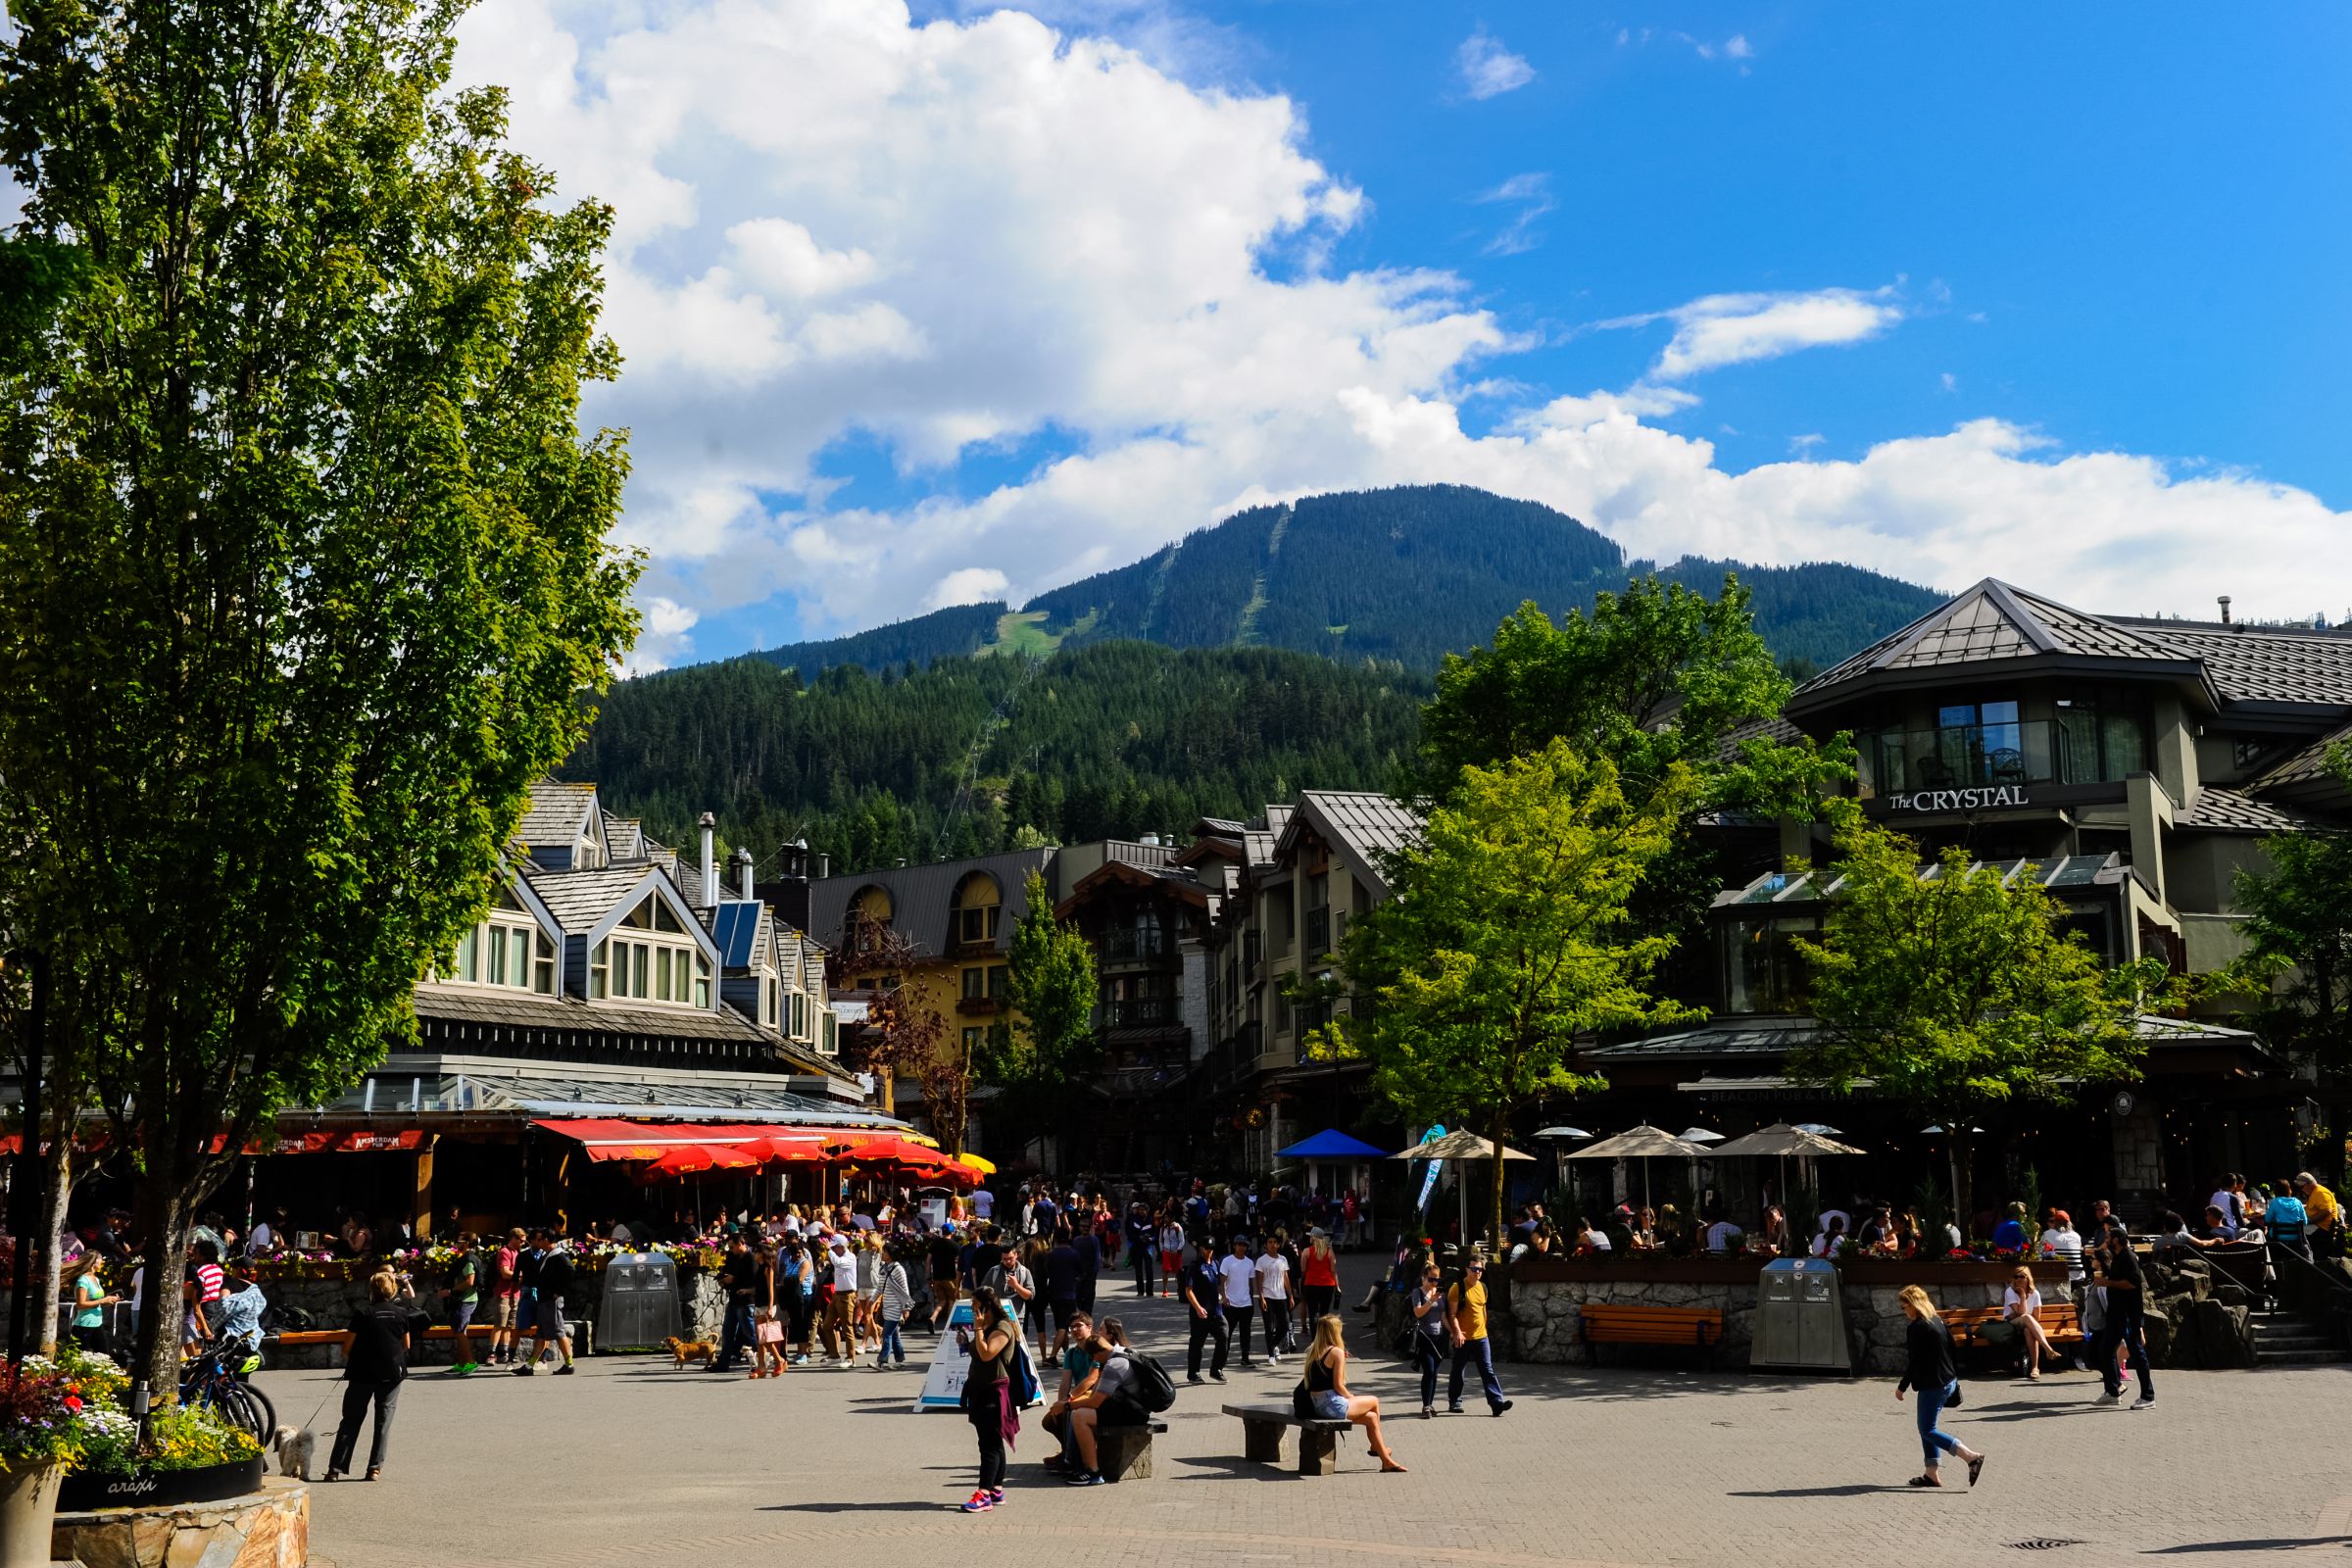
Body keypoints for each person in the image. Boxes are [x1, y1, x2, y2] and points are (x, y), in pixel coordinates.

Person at [326, 1270, 429, 1483]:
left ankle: (335, 1468)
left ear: (372, 1290)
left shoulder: (362, 1313)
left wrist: (355, 1358)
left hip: (362, 1372)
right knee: (383, 1421)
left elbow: (347, 1347)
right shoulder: (401, 1314)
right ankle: (374, 1468)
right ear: (392, 1290)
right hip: (392, 1372)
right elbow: (407, 1345)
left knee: (351, 1420)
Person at [1892, 1284, 1984, 1489]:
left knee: (1927, 1430)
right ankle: (1931, 1474)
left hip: (1932, 1384)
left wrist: (1902, 1386)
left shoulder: (1916, 1327)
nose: (1903, 1311)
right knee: (1927, 1427)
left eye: (1904, 1306)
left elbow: (1914, 1362)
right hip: (1948, 1380)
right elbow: (1952, 1348)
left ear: (1913, 1304)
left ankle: (1970, 1457)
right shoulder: (1937, 1320)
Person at [1298, 1312, 1406, 1472]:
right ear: (1334, 1331)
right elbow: (1338, 1385)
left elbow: (1321, 1377)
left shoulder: (1313, 1350)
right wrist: (1350, 1397)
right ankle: (1376, 1447)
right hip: (1331, 1404)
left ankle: (1386, 1460)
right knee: (1374, 1400)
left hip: (1317, 1405)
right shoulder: (1336, 1352)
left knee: (1371, 1418)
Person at [957, 1287, 1019, 1513]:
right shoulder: (986, 1327)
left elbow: (987, 1354)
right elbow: (978, 1354)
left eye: (974, 1304)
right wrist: (966, 1342)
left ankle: (983, 1494)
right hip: (980, 1390)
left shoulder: (1002, 1328)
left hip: (994, 1392)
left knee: (989, 1445)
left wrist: (979, 1328)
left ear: (987, 1306)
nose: (972, 1308)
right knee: (993, 1441)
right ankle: (996, 1489)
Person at [2084, 1219, 2154, 1410]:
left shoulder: (2128, 1257)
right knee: (2105, 1351)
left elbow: (2132, 1283)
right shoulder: (2116, 1257)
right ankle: (2112, 1391)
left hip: (2129, 1313)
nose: (2105, 1240)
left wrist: (2108, 1284)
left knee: (2137, 1353)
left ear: (2116, 1239)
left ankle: (2148, 1396)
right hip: (2116, 1315)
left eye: (2108, 1237)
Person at [1444, 1256, 1511, 1416]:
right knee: (1458, 1369)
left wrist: (1483, 1329)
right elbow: (1451, 1314)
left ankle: (1497, 1404)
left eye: (1480, 1269)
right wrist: (1457, 1332)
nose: (1477, 1272)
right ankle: (1455, 1401)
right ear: (1467, 1269)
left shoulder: (1483, 1287)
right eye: (1474, 1269)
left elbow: (1482, 1310)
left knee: (1487, 1370)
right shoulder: (1457, 1288)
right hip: (1463, 1337)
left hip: (1481, 1337)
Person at [514, 1230, 576, 1375]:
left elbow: (570, 1270)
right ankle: (529, 1367)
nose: (537, 1242)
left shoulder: (558, 1255)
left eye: (540, 1239)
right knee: (541, 1335)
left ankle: (569, 1364)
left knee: (559, 1332)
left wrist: (559, 1291)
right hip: (544, 1299)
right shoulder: (548, 1255)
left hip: (551, 1300)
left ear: (547, 1240)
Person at [1999, 1264, 2059, 1381]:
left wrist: (2024, 1317)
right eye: (2016, 1277)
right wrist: (2022, 1296)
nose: (2018, 1279)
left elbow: (2037, 1317)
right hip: (2011, 1324)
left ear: (2028, 1278)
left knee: (2029, 1331)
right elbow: (2021, 1313)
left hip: (2027, 1323)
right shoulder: (2010, 1291)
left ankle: (2035, 1368)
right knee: (2026, 1317)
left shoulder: (2035, 1293)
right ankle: (2048, 1349)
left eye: (2022, 1276)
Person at [1182, 1240, 1228, 1384]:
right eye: (1207, 1248)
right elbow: (1188, 1291)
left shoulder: (1215, 1263)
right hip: (1200, 1313)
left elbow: (1219, 1284)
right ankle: (1193, 1373)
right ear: (1202, 1249)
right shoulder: (1195, 1266)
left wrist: (1224, 1297)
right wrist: (1198, 1308)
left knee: (1224, 1336)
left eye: (1212, 1248)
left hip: (1216, 1311)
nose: (1209, 1251)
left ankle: (1216, 1369)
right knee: (1197, 1343)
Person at [1407, 1260, 1447, 1418]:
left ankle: (1430, 1404)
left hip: (1438, 1337)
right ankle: (1425, 1406)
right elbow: (1418, 1313)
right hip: (1424, 1337)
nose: (1434, 1282)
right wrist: (1430, 1301)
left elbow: (1443, 1316)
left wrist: (1455, 1332)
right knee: (1429, 1371)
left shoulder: (1440, 1294)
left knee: (1435, 1373)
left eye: (1436, 1279)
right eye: (1431, 1279)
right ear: (1423, 1278)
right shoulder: (1418, 1292)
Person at [711, 1235, 757, 1373]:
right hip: (734, 1299)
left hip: (746, 1301)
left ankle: (763, 1357)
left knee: (750, 1333)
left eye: (732, 1247)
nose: (730, 1250)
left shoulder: (752, 1258)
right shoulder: (734, 1257)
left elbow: (752, 1280)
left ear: (741, 1243)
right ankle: (723, 1364)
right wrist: (723, 1279)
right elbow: (728, 1271)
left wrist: (734, 1280)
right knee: (727, 1332)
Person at [442, 1232, 481, 1375]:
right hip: (464, 1300)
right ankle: (461, 1363)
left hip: (465, 1300)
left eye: (459, 1241)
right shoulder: (466, 1258)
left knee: (460, 1331)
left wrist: (450, 1291)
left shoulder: (468, 1260)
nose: (456, 1244)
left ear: (465, 1243)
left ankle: (471, 1363)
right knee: (459, 1331)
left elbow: (470, 1281)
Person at [1218, 1235, 1259, 1369]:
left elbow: (1250, 1284)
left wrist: (1252, 1300)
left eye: (1244, 1245)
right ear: (1234, 1246)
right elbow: (1222, 1281)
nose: (1241, 1247)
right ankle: (1222, 1358)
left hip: (1246, 1304)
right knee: (1227, 1333)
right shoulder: (1227, 1261)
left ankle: (1245, 1358)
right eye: (1239, 1244)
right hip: (1230, 1303)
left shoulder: (1249, 1263)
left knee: (1245, 1332)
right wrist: (1223, 1297)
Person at [487, 1227, 524, 1368]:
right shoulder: (504, 1252)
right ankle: (491, 1354)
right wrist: (521, 1276)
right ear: (513, 1238)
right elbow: (505, 1273)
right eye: (521, 1240)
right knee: (499, 1324)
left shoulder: (517, 1252)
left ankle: (504, 1353)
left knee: (510, 1325)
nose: (523, 1243)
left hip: (515, 1293)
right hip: (503, 1293)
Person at [1254, 1233, 1294, 1365]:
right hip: (1268, 1296)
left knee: (1284, 1324)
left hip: (1281, 1296)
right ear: (1266, 1245)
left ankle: (1275, 1344)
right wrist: (1261, 1297)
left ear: (1278, 1245)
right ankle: (1271, 1354)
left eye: (1274, 1242)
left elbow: (1286, 1278)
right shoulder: (1261, 1260)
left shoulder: (1283, 1259)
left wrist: (1291, 1295)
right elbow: (1259, 1281)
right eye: (1269, 1242)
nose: (1272, 1244)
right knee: (1269, 1326)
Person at [751, 1243, 788, 1379]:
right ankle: (761, 1367)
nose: (754, 1254)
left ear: (762, 1253)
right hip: (758, 1303)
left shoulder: (768, 1269)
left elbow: (771, 1289)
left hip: (767, 1305)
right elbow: (759, 1288)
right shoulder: (759, 1268)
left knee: (765, 1337)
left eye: (756, 1252)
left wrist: (771, 1307)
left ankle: (779, 1360)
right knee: (760, 1338)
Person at [874, 1241, 912, 1368]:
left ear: (891, 1254)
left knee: (887, 1334)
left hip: (896, 1308)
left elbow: (905, 1290)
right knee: (894, 1336)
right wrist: (872, 1301)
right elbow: (880, 1288)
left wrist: (906, 1308)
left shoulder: (898, 1270)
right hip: (887, 1307)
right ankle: (899, 1360)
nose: (882, 1254)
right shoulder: (884, 1268)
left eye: (884, 1252)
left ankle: (882, 1361)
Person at [69, 1259, 119, 1354]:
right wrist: (102, 1300)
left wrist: (108, 1301)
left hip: (97, 1324)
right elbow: (80, 1304)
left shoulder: (96, 1279)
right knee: (81, 1359)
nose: (102, 1262)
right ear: (93, 1262)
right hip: (84, 1325)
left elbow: (96, 1302)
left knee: (104, 1357)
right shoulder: (82, 1280)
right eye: (100, 1260)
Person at [927, 1224, 963, 1330]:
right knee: (952, 1300)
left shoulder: (934, 1244)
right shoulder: (955, 1246)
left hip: (937, 1278)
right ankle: (949, 1325)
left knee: (942, 1301)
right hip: (950, 1278)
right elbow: (958, 1262)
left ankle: (933, 1317)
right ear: (952, 1233)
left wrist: (929, 1277)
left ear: (942, 1232)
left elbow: (928, 1261)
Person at [1299, 1229, 1340, 1320]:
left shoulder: (1306, 1251)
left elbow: (1303, 1269)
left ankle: (1314, 1334)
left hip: (1311, 1284)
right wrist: (1337, 1286)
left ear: (1313, 1237)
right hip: (1327, 1285)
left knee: (1312, 1312)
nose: (1309, 1237)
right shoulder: (1329, 1251)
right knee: (1324, 1312)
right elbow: (1333, 1271)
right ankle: (1323, 1333)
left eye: (1310, 1236)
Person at [2267, 1181, 2311, 1263]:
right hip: (2297, 1237)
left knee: (2267, 1235)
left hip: (2279, 1238)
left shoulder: (2275, 1202)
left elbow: (2267, 1220)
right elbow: (2305, 1221)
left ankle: (2272, 1264)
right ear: (2289, 1190)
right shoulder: (2298, 1202)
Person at [2039, 1208, 2083, 1282]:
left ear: (2055, 1223)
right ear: (2069, 1223)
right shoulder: (2077, 1236)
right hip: (2078, 1275)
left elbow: (2039, 1251)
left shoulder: (2048, 1234)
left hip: (2059, 1276)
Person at [1157, 1211, 1186, 1300]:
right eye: (1165, 1218)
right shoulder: (1163, 1228)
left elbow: (1182, 1240)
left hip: (1176, 1252)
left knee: (1178, 1272)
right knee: (1165, 1271)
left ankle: (1179, 1288)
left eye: (1167, 1218)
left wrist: (1179, 1249)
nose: (1165, 1219)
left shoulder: (1178, 1228)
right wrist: (1162, 1249)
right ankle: (1165, 1290)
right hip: (1166, 1252)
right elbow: (1161, 1240)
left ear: (1172, 1219)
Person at [2208, 1174, 2242, 1240]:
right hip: (2230, 1229)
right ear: (2234, 1184)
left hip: (2214, 1229)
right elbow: (2239, 1219)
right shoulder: (2232, 1197)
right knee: (2255, 1232)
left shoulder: (2214, 1195)